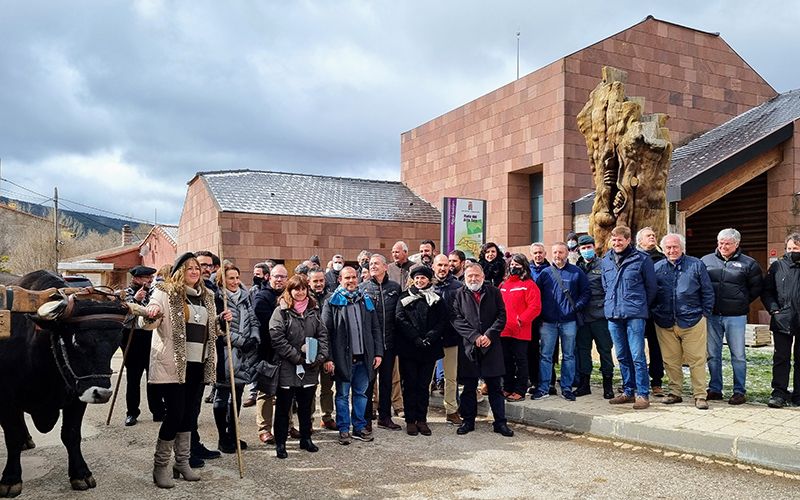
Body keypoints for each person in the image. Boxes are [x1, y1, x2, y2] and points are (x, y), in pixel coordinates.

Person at [140, 252, 220, 489]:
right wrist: (150, 313)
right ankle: (160, 466)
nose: (194, 272)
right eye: (189, 268)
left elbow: (212, 329)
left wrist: (222, 322)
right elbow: (150, 318)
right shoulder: (165, 292)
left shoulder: (208, 296)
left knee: (188, 415)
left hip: (198, 364)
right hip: (173, 365)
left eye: (196, 268)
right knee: (174, 414)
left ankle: (182, 463)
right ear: (179, 272)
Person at [269, 274, 329, 459]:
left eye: (303, 288)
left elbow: (323, 335)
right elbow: (277, 338)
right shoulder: (281, 311)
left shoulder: (314, 310)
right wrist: (297, 358)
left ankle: (306, 438)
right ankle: (281, 443)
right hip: (288, 366)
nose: (301, 292)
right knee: (283, 407)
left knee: (306, 406)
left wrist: (320, 356)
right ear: (290, 290)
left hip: (310, 367)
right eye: (297, 289)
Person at [652, 233, 715, 410]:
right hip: (665, 321)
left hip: (693, 319)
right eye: (668, 248)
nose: (672, 250)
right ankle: (675, 392)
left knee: (697, 359)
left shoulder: (696, 264)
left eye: (675, 247)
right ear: (663, 250)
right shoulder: (657, 268)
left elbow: (707, 291)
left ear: (682, 247)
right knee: (670, 360)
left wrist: (705, 313)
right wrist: (655, 312)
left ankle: (700, 395)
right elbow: (652, 293)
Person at [701, 228, 763, 405]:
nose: (723, 246)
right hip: (712, 315)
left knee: (738, 355)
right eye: (720, 243)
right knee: (713, 354)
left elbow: (756, 288)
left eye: (727, 243)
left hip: (735, 317)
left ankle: (739, 391)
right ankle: (715, 389)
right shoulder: (706, 261)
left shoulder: (749, 264)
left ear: (737, 244)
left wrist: (742, 302)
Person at [322, 267, 384, 445]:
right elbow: (326, 333)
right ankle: (343, 429)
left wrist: (378, 352)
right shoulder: (332, 302)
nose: (351, 281)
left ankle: (359, 427)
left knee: (361, 394)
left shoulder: (365, 300)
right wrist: (328, 358)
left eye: (354, 277)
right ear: (340, 280)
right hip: (343, 359)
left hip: (364, 359)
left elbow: (375, 329)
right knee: (342, 395)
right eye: (347, 278)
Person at [452, 262, 513, 437]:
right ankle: (468, 421)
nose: (473, 279)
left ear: (483, 277)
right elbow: (456, 319)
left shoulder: (493, 292)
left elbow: (502, 316)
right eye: (470, 276)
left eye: (476, 275)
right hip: (469, 348)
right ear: (465, 278)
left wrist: (489, 335)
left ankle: (500, 423)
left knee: (495, 387)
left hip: (491, 346)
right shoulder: (458, 295)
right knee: (469, 388)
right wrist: (474, 337)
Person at [602, 226, 657, 410]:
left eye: (620, 240)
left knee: (637, 355)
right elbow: (606, 286)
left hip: (634, 315)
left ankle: (642, 394)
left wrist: (639, 306)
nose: (617, 243)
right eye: (614, 240)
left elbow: (651, 288)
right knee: (622, 355)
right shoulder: (606, 261)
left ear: (628, 241)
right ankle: (628, 391)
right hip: (613, 314)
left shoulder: (642, 259)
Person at [532, 242, 589, 401]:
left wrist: (576, 307)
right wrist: (542, 314)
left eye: (561, 252)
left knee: (569, 355)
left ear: (567, 253)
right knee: (545, 356)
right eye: (555, 252)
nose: (558, 255)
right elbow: (537, 296)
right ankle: (543, 388)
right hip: (548, 322)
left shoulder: (576, 272)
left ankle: (566, 388)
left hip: (569, 321)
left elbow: (586, 293)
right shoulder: (545, 273)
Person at [213, 264, 260, 454]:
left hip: (245, 353)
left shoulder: (245, 296)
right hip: (225, 353)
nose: (234, 282)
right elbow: (219, 330)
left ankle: (233, 433)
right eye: (230, 278)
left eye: (237, 277)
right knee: (223, 394)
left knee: (238, 395)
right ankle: (222, 437)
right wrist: (241, 341)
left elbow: (253, 319)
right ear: (222, 280)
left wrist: (254, 337)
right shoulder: (217, 299)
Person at [395, 265, 445, 436]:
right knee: (409, 385)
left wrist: (430, 337)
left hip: (429, 348)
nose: (419, 281)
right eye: (417, 278)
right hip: (410, 348)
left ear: (429, 280)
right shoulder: (404, 297)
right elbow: (400, 319)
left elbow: (441, 321)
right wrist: (415, 338)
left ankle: (422, 419)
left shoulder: (436, 298)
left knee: (424, 386)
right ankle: (410, 420)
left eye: (423, 278)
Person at [359, 254, 403, 431]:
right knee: (368, 383)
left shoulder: (395, 288)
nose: (373, 266)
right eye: (371, 264)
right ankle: (366, 418)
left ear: (386, 267)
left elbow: (399, 316)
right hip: (369, 346)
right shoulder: (363, 288)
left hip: (389, 344)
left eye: (376, 263)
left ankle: (385, 417)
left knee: (386, 382)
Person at [122, 265, 166, 426]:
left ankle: (158, 410)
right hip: (132, 339)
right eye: (146, 278)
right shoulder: (126, 293)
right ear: (136, 279)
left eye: (151, 278)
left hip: (150, 337)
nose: (150, 280)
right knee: (133, 378)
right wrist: (135, 301)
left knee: (153, 376)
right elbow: (124, 318)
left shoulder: (154, 293)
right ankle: (132, 412)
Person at [761, 232, 800, 408]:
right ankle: (779, 393)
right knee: (781, 358)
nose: (792, 251)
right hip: (782, 319)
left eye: (796, 249)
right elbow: (767, 291)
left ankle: (798, 394)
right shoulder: (777, 266)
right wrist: (774, 309)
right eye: (790, 248)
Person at [190, 251, 222, 466]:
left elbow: (212, 325)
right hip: (187, 356)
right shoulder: (185, 293)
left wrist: (221, 319)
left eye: (210, 266)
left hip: (205, 354)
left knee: (194, 407)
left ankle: (194, 444)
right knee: (184, 409)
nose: (206, 269)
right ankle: (186, 451)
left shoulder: (211, 292)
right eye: (202, 265)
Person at [575, 235, 615, 399]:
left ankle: (608, 385)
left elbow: (609, 289)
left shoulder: (604, 265)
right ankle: (585, 385)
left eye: (588, 247)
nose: (586, 250)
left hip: (600, 316)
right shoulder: (576, 267)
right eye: (583, 248)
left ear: (594, 247)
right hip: (583, 317)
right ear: (579, 250)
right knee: (583, 352)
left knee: (605, 351)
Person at [253, 264, 289, 445]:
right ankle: (264, 429)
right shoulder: (262, 297)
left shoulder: (291, 295)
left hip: (287, 354)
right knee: (265, 392)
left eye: (283, 276)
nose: (279, 279)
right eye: (276, 276)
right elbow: (267, 325)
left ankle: (288, 425)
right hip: (268, 352)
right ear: (269, 277)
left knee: (287, 391)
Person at [499, 254, 541, 402]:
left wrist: (521, 320)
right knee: (506, 360)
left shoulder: (529, 284)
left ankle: (520, 390)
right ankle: (507, 387)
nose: (513, 267)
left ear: (524, 266)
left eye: (517, 264)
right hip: (504, 330)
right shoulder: (503, 285)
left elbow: (535, 307)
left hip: (520, 331)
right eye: (511, 265)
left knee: (521, 361)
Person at [433, 254, 464, 424]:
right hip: (430, 340)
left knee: (451, 377)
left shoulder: (458, 286)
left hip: (452, 339)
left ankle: (451, 410)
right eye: (440, 265)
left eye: (446, 265)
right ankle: (420, 412)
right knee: (424, 378)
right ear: (434, 266)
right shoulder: (427, 286)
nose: (443, 268)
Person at [635, 226, 666, 397]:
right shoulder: (633, 258)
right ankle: (636, 381)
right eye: (648, 236)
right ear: (639, 241)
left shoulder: (661, 258)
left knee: (656, 347)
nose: (653, 238)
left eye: (654, 235)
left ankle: (657, 381)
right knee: (636, 347)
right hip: (637, 310)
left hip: (656, 310)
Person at [308, 269, 336, 429]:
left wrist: (329, 357)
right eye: (315, 281)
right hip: (310, 350)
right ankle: (308, 420)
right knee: (310, 389)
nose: (318, 284)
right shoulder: (304, 298)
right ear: (309, 282)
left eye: (321, 281)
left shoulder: (331, 298)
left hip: (328, 350)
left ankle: (326, 417)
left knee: (327, 388)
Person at [527, 242, 555, 395]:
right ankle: (534, 381)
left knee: (547, 351)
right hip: (531, 319)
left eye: (540, 252)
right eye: (535, 253)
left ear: (545, 254)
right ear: (531, 255)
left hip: (546, 317)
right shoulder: (527, 271)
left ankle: (549, 381)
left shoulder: (551, 270)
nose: (538, 255)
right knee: (531, 351)